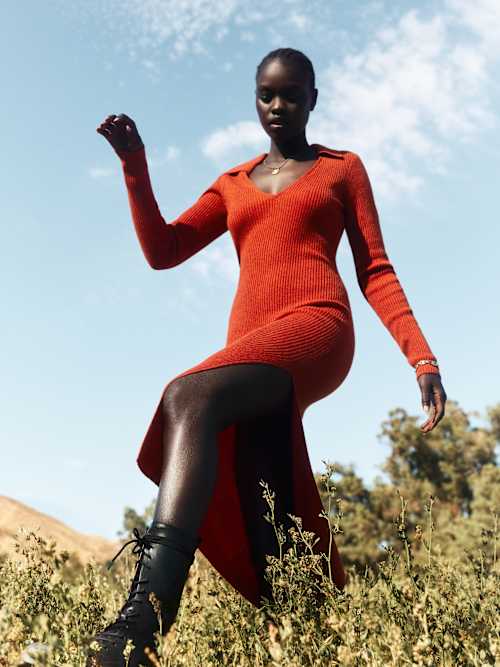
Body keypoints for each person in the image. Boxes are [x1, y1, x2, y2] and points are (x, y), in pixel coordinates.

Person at [89, 47, 447, 665]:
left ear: (313, 98)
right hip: (249, 346)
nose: (278, 105)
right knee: (267, 501)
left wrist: (422, 358)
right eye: (266, 95)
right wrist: (134, 166)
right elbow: (164, 250)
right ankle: (310, 634)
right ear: (255, 99)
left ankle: (140, 627)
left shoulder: (341, 169)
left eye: (291, 94)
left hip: (316, 326)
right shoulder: (232, 183)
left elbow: (376, 270)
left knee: (187, 396)